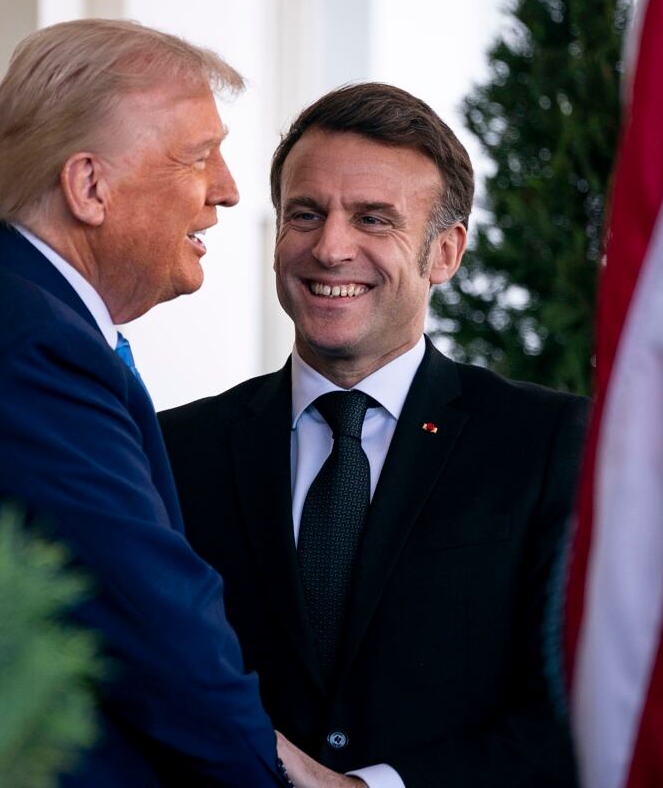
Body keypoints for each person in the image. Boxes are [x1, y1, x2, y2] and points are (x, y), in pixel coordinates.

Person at [0, 18, 342, 787]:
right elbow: (155, 625)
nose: (228, 190)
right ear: (89, 187)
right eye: (198, 156)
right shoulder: (32, 350)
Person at [159, 83, 587, 788]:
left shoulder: (547, 445)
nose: (330, 248)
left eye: (373, 220)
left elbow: (575, 715)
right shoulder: (176, 450)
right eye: (305, 214)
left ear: (444, 253)